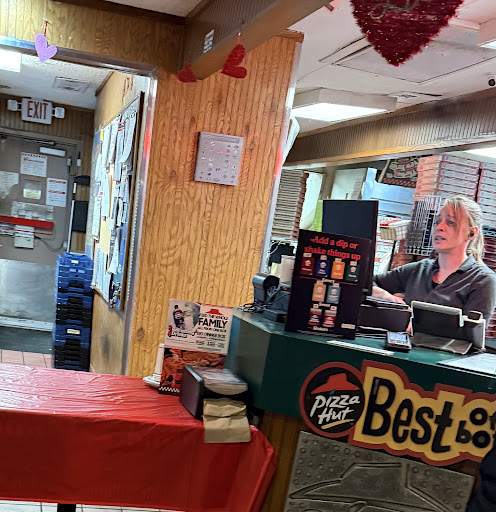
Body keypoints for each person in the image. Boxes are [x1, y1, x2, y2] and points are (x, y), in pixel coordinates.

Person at [373, 196, 496, 322]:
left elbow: (470, 331)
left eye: (450, 222)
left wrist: (412, 321)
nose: (439, 227)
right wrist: (386, 297)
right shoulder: (418, 270)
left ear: (471, 233)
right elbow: (367, 283)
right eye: (437, 222)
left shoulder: (482, 281)